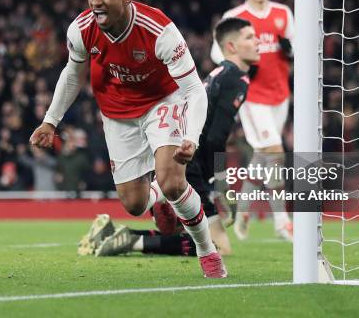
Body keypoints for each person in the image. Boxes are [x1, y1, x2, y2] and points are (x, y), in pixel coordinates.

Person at [29, 0, 226, 278]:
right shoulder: (81, 29)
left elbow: (194, 90)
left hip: (161, 102)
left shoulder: (159, 30)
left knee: (173, 181)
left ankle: (207, 251)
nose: (96, 1)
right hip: (117, 114)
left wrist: (191, 136)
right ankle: (158, 199)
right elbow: (73, 73)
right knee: (134, 204)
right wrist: (51, 120)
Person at [90, 17, 261, 258]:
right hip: (191, 164)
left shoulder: (220, 74)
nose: (258, 42)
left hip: (183, 157)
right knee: (219, 246)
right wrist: (221, 186)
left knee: (190, 231)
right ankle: (134, 240)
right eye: (250, 37)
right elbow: (214, 138)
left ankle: (124, 235)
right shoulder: (235, 79)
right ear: (231, 46)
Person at [210, 0, 295, 241]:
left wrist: (290, 50)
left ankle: (243, 209)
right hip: (252, 96)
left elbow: (296, 47)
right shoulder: (235, 18)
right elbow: (216, 51)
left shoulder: (283, 13)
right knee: (274, 150)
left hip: (280, 94)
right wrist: (242, 66)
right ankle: (283, 221)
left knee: (263, 156)